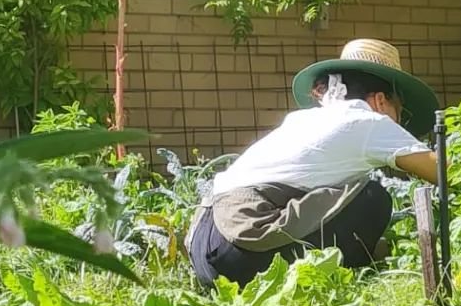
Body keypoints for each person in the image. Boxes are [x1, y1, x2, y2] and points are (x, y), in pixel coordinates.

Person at [188, 39, 440, 289]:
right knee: (373, 199)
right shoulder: (368, 120)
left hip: (204, 244)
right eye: (401, 112)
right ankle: (334, 278)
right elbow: (445, 173)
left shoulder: (301, 120)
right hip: (243, 249)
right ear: (381, 101)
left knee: (348, 195)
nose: (399, 122)